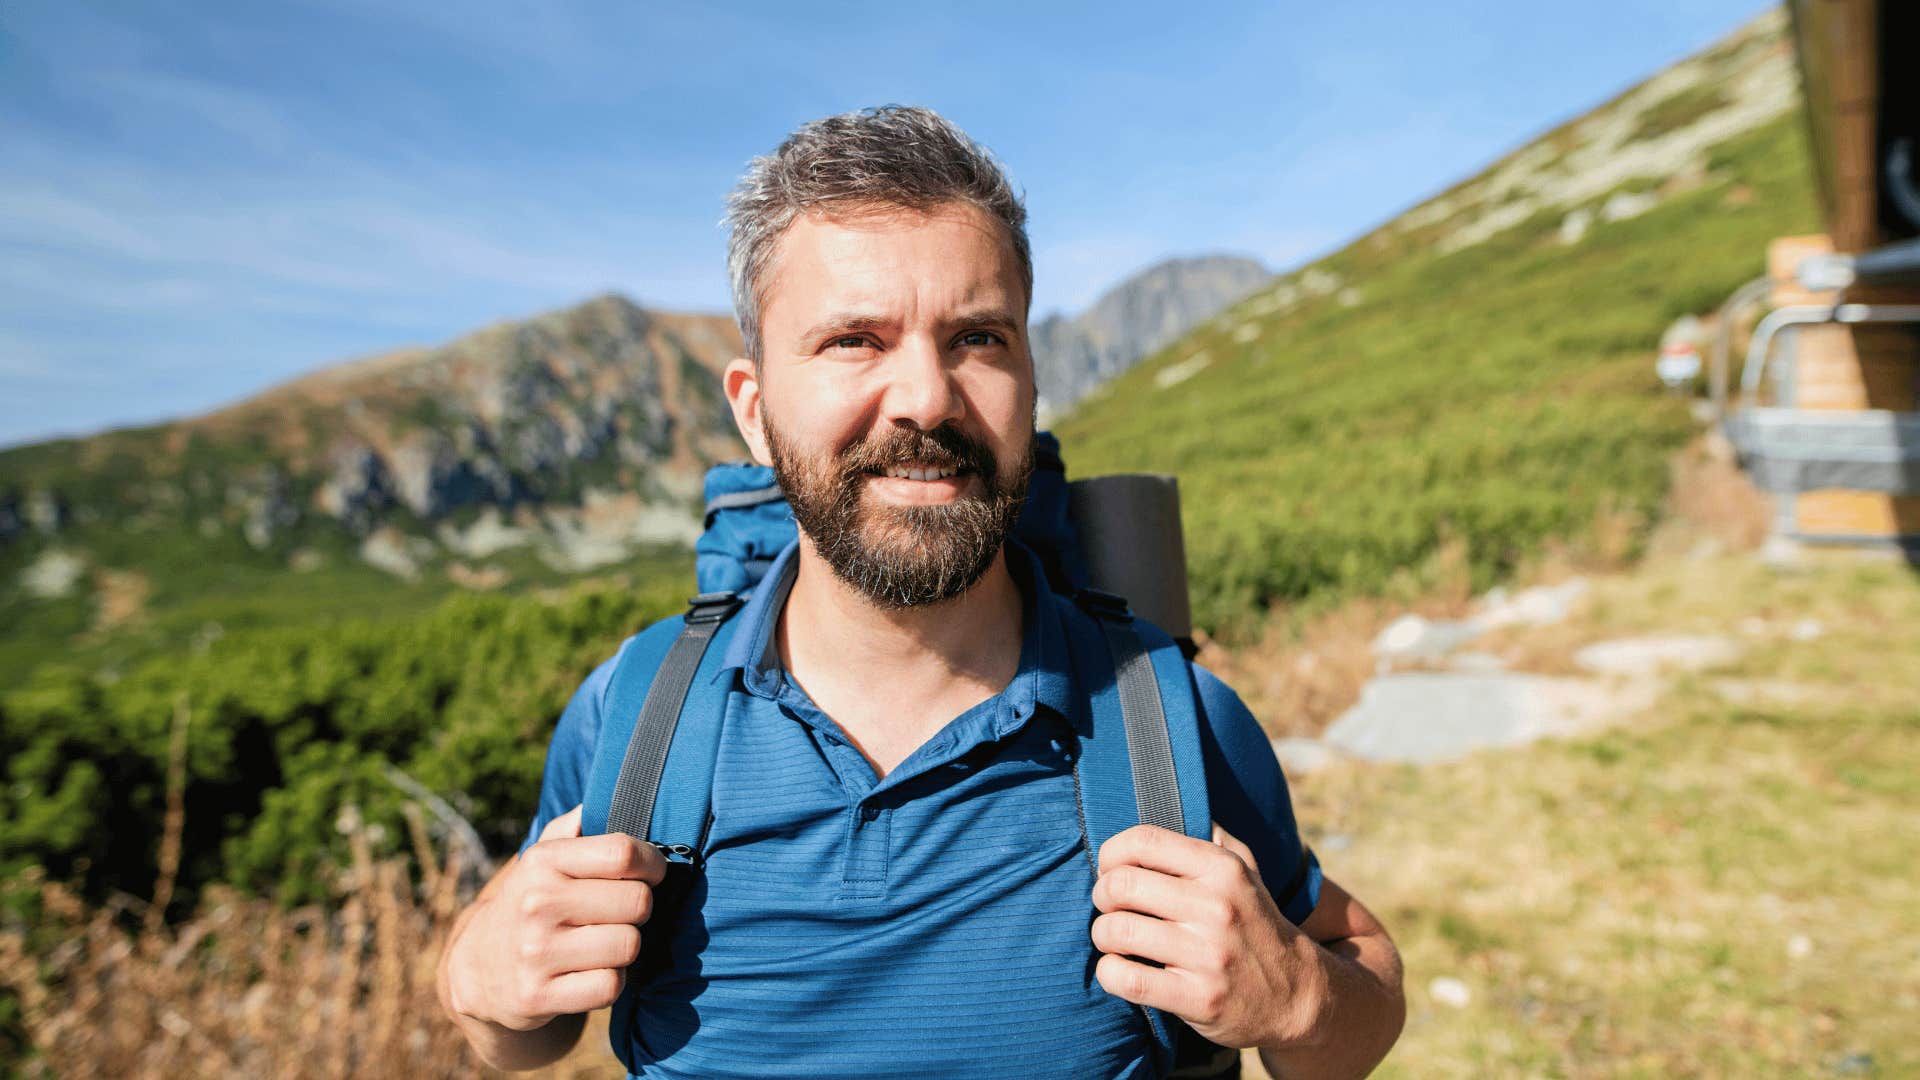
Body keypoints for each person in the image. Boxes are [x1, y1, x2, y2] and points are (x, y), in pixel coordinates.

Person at [437, 105, 1405, 1078]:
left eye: (978, 338)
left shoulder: (1167, 714)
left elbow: (1357, 983)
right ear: (755, 410)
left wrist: (1302, 999)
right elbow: (527, 1031)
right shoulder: (635, 713)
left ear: (1032, 379)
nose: (927, 398)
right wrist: (476, 986)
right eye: (854, 339)